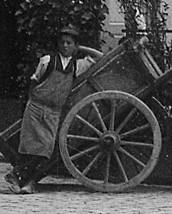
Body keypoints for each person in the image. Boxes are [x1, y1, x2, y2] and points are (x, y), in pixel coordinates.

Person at [6, 26, 103, 194]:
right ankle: (26, 181)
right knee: (31, 147)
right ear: (57, 44)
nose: (65, 46)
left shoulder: (77, 66)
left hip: (53, 111)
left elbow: (99, 56)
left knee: (46, 149)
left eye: (69, 43)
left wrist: (81, 48)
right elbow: (34, 80)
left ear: (75, 46)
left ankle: (16, 174)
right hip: (36, 108)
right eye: (62, 42)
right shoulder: (47, 61)